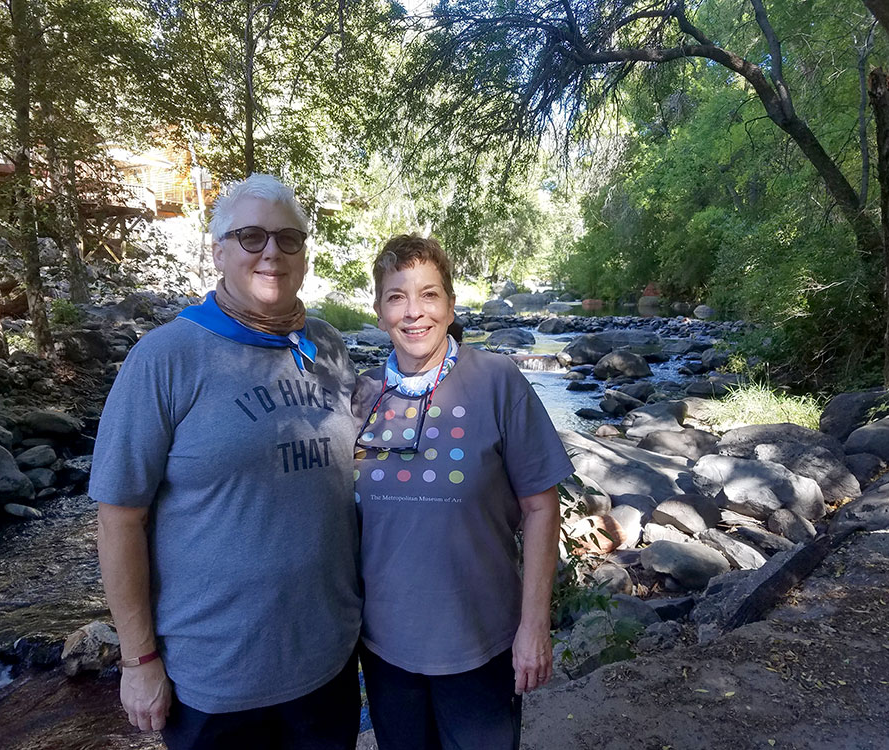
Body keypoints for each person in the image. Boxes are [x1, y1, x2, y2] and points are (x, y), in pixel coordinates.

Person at [90, 174, 362, 750]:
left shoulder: (328, 347)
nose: (272, 252)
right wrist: (139, 660)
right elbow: (118, 520)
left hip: (328, 664)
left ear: (305, 256)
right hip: (213, 684)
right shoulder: (164, 358)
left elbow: (368, 448)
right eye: (251, 236)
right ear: (218, 252)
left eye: (289, 239)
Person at [352, 234, 573, 750]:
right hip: (385, 650)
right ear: (379, 310)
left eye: (429, 295)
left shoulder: (498, 380)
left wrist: (534, 627)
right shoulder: (361, 393)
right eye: (396, 296)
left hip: (480, 643)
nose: (414, 312)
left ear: (451, 306)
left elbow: (542, 506)